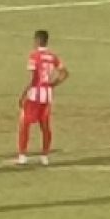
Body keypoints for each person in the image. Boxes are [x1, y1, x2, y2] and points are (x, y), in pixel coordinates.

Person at [18, 30, 68, 165]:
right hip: (47, 96)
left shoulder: (34, 56)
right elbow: (64, 73)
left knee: (24, 124)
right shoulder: (52, 56)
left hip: (34, 95)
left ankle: (22, 155)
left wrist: (25, 92)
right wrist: (53, 84)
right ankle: (45, 156)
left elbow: (34, 77)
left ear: (38, 40)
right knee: (45, 126)